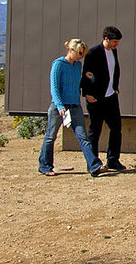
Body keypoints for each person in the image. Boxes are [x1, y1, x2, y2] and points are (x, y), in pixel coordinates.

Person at [39, 39, 105, 177]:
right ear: (71, 50)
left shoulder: (77, 65)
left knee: (83, 136)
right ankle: (45, 166)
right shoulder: (58, 65)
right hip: (59, 106)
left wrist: (89, 80)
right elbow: (55, 88)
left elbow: (77, 84)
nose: (81, 56)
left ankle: (94, 165)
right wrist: (60, 105)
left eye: (83, 54)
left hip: (75, 106)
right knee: (51, 136)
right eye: (79, 53)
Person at [81, 26, 125, 171]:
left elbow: (114, 72)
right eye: (114, 41)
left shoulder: (114, 52)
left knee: (116, 128)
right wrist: (87, 93)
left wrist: (115, 89)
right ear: (106, 39)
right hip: (96, 98)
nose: (116, 44)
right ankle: (93, 163)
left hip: (111, 97)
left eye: (117, 42)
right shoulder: (93, 53)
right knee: (95, 130)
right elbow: (86, 74)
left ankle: (113, 160)